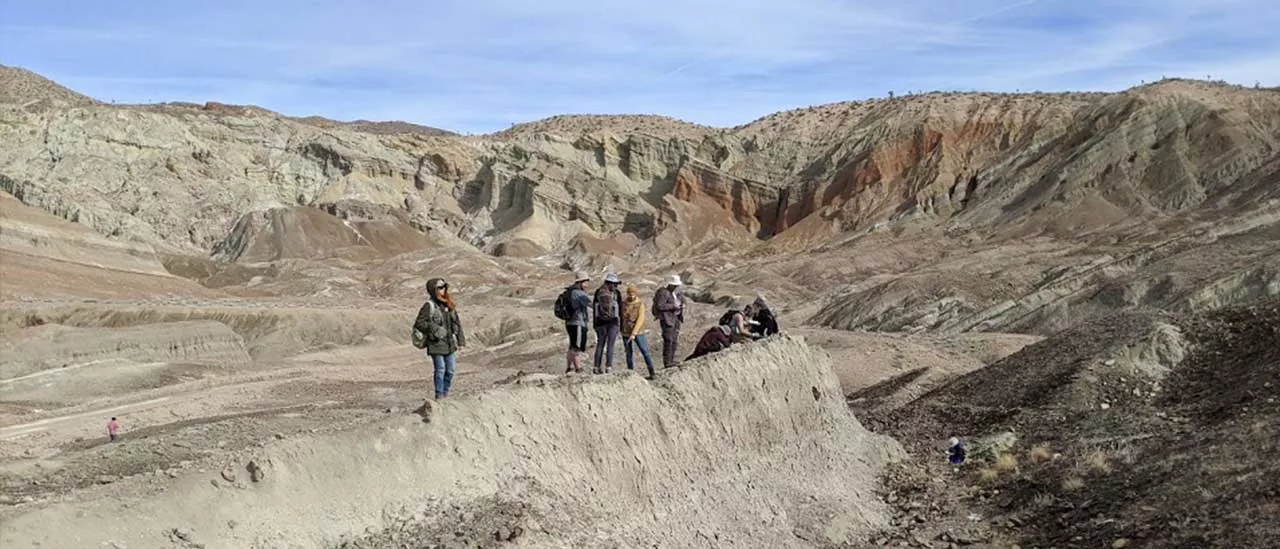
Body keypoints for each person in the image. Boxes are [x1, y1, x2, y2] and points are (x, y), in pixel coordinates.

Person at [413, 278, 466, 399]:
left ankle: (445, 393)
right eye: (440, 288)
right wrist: (434, 328)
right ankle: (439, 395)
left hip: (449, 344)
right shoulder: (429, 306)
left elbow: (456, 322)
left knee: (451, 370)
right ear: (433, 290)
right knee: (440, 369)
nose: (443, 290)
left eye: (444, 287)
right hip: (436, 344)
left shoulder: (449, 303)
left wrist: (460, 340)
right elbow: (419, 323)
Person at [621, 284, 656, 379]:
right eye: (629, 293)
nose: (631, 295)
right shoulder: (623, 303)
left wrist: (634, 333)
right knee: (628, 353)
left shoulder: (640, 304)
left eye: (633, 293)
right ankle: (630, 373)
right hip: (625, 331)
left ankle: (652, 372)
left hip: (638, 332)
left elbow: (640, 319)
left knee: (645, 351)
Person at [559, 273, 592, 374]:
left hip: (569, 323)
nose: (587, 285)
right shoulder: (579, 294)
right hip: (578, 322)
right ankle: (579, 368)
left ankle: (569, 367)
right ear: (580, 282)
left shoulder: (570, 291)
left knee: (572, 345)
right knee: (576, 347)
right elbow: (591, 304)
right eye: (585, 282)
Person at [592, 272, 623, 374]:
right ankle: (608, 367)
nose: (616, 286)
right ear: (610, 283)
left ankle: (596, 367)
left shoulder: (598, 292)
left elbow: (594, 308)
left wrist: (595, 324)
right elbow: (621, 309)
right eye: (615, 284)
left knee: (600, 344)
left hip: (600, 322)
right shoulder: (617, 293)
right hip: (613, 322)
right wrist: (621, 324)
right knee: (610, 345)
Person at [652, 274, 685, 368]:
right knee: (668, 340)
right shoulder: (663, 293)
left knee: (674, 340)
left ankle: (671, 359)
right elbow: (660, 305)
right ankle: (667, 362)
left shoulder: (676, 293)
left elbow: (682, 301)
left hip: (676, 318)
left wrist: (681, 305)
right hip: (667, 319)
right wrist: (673, 306)